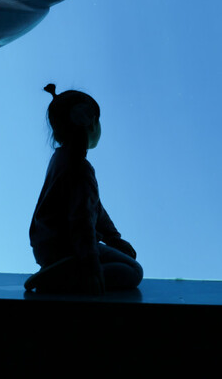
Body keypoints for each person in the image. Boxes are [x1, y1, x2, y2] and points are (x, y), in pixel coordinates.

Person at [25, 84, 142, 294]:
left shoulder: (59, 158)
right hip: (69, 248)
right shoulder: (80, 167)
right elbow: (82, 219)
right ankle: (59, 278)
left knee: (125, 261)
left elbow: (95, 208)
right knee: (133, 271)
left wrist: (113, 239)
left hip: (46, 247)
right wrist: (91, 267)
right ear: (91, 122)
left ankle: (58, 271)